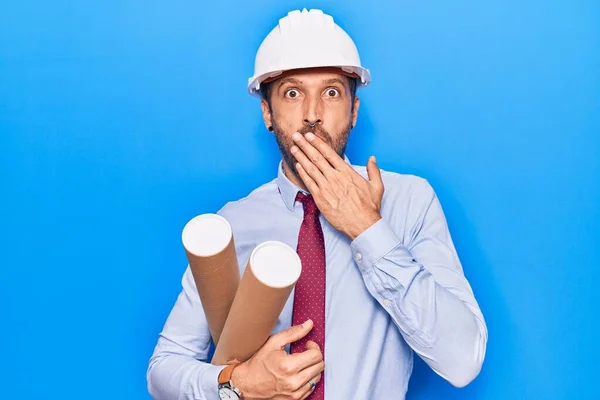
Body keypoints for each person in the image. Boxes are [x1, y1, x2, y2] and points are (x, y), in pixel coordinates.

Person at [147, 8, 487, 400]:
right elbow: (163, 370)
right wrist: (238, 384)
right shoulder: (233, 224)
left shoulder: (409, 201)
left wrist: (368, 228)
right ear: (267, 113)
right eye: (292, 93)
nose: (312, 115)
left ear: (354, 110)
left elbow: (463, 360)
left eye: (331, 92)